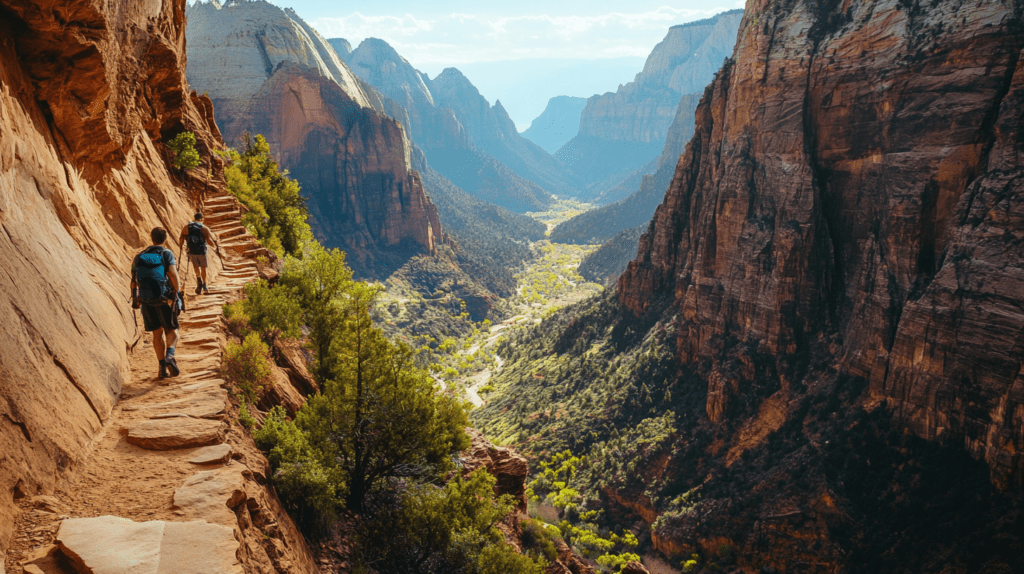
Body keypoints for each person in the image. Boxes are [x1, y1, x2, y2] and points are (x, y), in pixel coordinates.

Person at [131, 227, 183, 378]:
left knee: (157, 333)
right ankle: (170, 355)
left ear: (151, 238)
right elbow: (173, 275)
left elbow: (133, 280)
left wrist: (136, 299)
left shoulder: (139, 256)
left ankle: (161, 369)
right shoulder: (166, 253)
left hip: (147, 299)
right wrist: (176, 293)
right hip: (163, 299)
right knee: (172, 330)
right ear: (165, 238)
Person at [178, 212, 221, 294]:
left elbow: (181, 238)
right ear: (202, 219)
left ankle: (199, 280)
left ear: (194, 218)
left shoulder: (186, 227)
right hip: (202, 251)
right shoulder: (204, 228)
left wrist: (181, 247)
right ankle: (205, 285)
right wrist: (215, 247)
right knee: (203, 268)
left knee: (196, 267)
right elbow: (208, 240)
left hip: (192, 251)